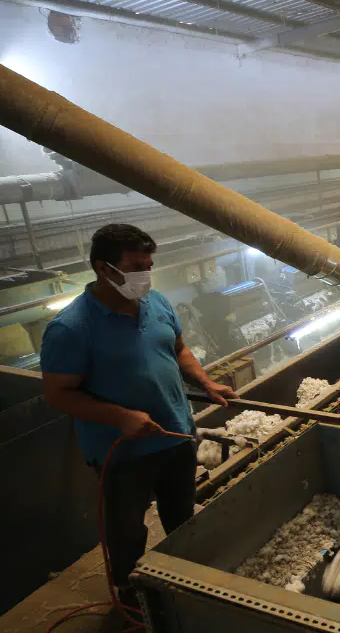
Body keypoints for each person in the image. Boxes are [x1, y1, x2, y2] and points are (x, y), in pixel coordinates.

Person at [40, 224, 236, 605]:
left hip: (176, 433)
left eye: (148, 264)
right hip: (123, 449)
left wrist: (205, 382)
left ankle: (188, 571)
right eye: (135, 266)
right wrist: (120, 417)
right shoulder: (71, 328)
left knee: (181, 510)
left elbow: (178, 348)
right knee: (127, 526)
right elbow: (59, 394)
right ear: (103, 268)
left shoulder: (157, 302)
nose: (144, 274)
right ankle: (132, 592)